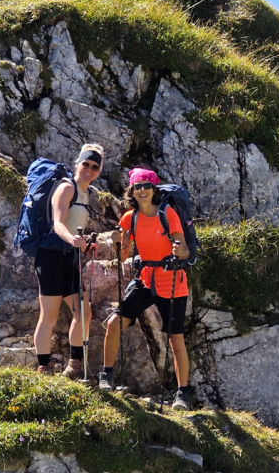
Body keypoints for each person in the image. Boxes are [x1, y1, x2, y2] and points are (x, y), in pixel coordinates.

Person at [99, 168, 192, 410]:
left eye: (146, 186)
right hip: (145, 279)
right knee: (114, 322)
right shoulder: (129, 218)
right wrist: (118, 243)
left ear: (154, 189)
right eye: (137, 186)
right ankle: (106, 375)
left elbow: (184, 250)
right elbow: (123, 257)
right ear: (131, 191)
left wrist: (180, 251)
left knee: (175, 339)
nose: (142, 190)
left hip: (172, 281)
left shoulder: (168, 214)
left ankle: (182, 393)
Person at [33, 144, 102, 379]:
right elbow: (58, 224)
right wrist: (73, 239)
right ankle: (44, 368)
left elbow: (75, 228)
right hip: (50, 257)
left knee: (83, 312)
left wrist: (84, 245)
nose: (89, 169)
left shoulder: (87, 193)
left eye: (95, 167)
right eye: (86, 164)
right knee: (49, 316)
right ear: (77, 164)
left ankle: (74, 366)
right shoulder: (66, 187)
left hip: (70, 258)